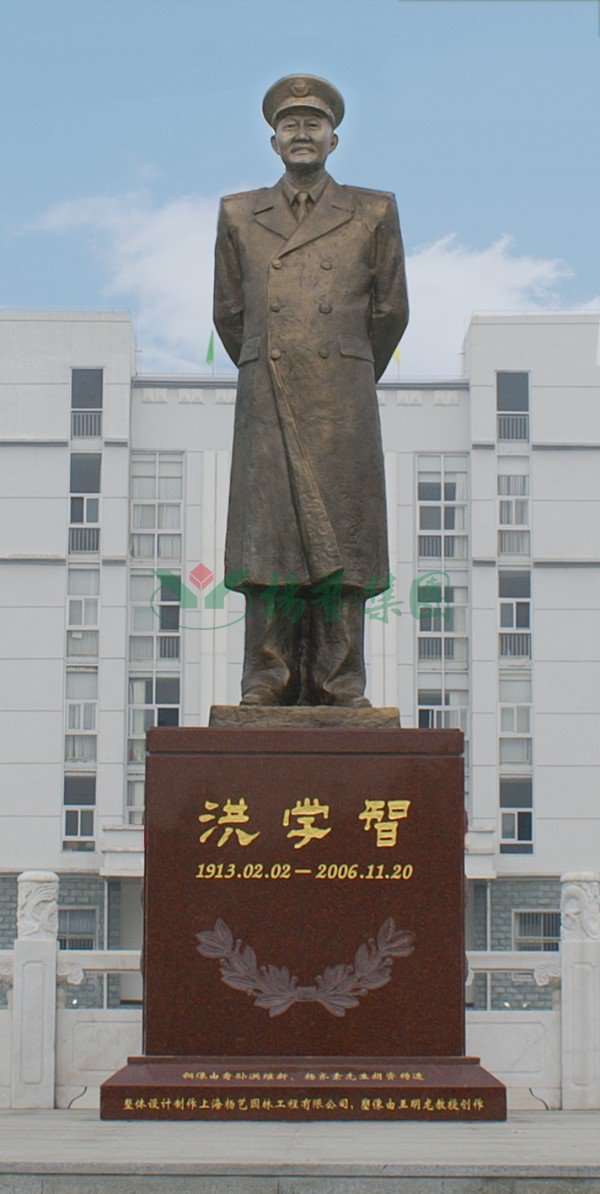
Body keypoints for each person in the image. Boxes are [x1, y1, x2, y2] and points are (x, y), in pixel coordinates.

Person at [213, 74, 409, 707]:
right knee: (268, 543)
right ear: (274, 141)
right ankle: (266, 679)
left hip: (342, 401)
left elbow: (390, 311)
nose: (302, 133)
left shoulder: (373, 210)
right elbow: (230, 312)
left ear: (334, 139)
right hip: (267, 393)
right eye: (290, 124)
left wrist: (345, 372)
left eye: (314, 123)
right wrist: (276, 357)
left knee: (345, 539)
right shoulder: (239, 213)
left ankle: (339, 680)